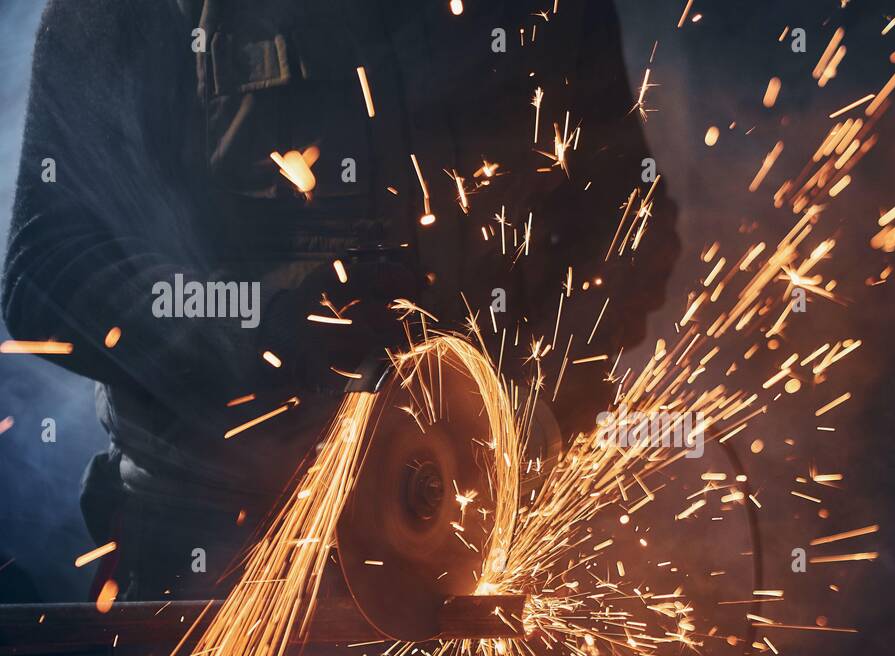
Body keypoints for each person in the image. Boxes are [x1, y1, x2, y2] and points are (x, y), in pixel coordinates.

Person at [2, 0, 678, 600]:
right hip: (217, 563)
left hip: (480, 553)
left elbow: (629, 217)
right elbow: (45, 269)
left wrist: (543, 406)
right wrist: (259, 333)